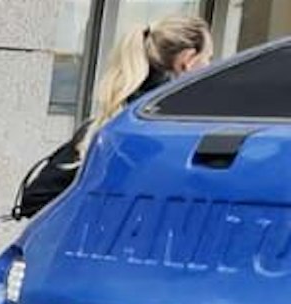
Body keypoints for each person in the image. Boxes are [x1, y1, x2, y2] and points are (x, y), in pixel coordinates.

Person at [13, 15, 213, 219]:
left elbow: (37, 197)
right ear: (187, 60)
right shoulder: (178, 128)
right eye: (208, 59)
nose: (209, 68)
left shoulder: (110, 122)